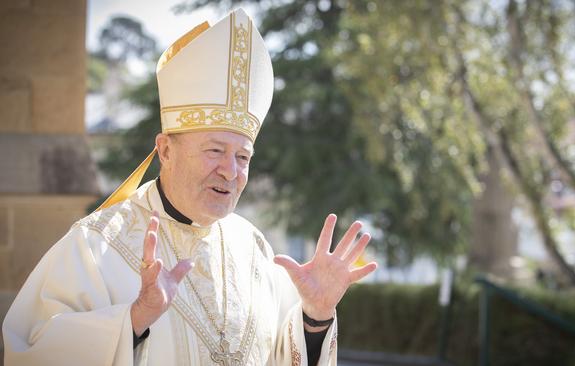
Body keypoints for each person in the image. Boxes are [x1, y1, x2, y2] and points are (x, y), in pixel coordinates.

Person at [2, 8, 377, 365]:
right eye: (215, 150)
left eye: (243, 157)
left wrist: (315, 316)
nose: (230, 172)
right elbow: (31, 351)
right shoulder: (95, 246)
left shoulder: (255, 249)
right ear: (165, 149)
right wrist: (132, 321)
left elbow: (281, 355)